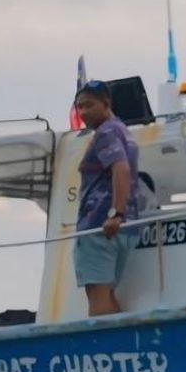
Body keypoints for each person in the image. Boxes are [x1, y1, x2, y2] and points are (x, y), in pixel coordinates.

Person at [72, 81, 142, 316]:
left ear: (106, 103)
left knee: (98, 297)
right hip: (125, 227)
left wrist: (116, 213)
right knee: (108, 293)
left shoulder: (106, 132)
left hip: (99, 225)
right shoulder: (124, 131)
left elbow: (120, 168)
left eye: (89, 105)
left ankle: (98, 348)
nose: (83, 113)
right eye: (79, 107)